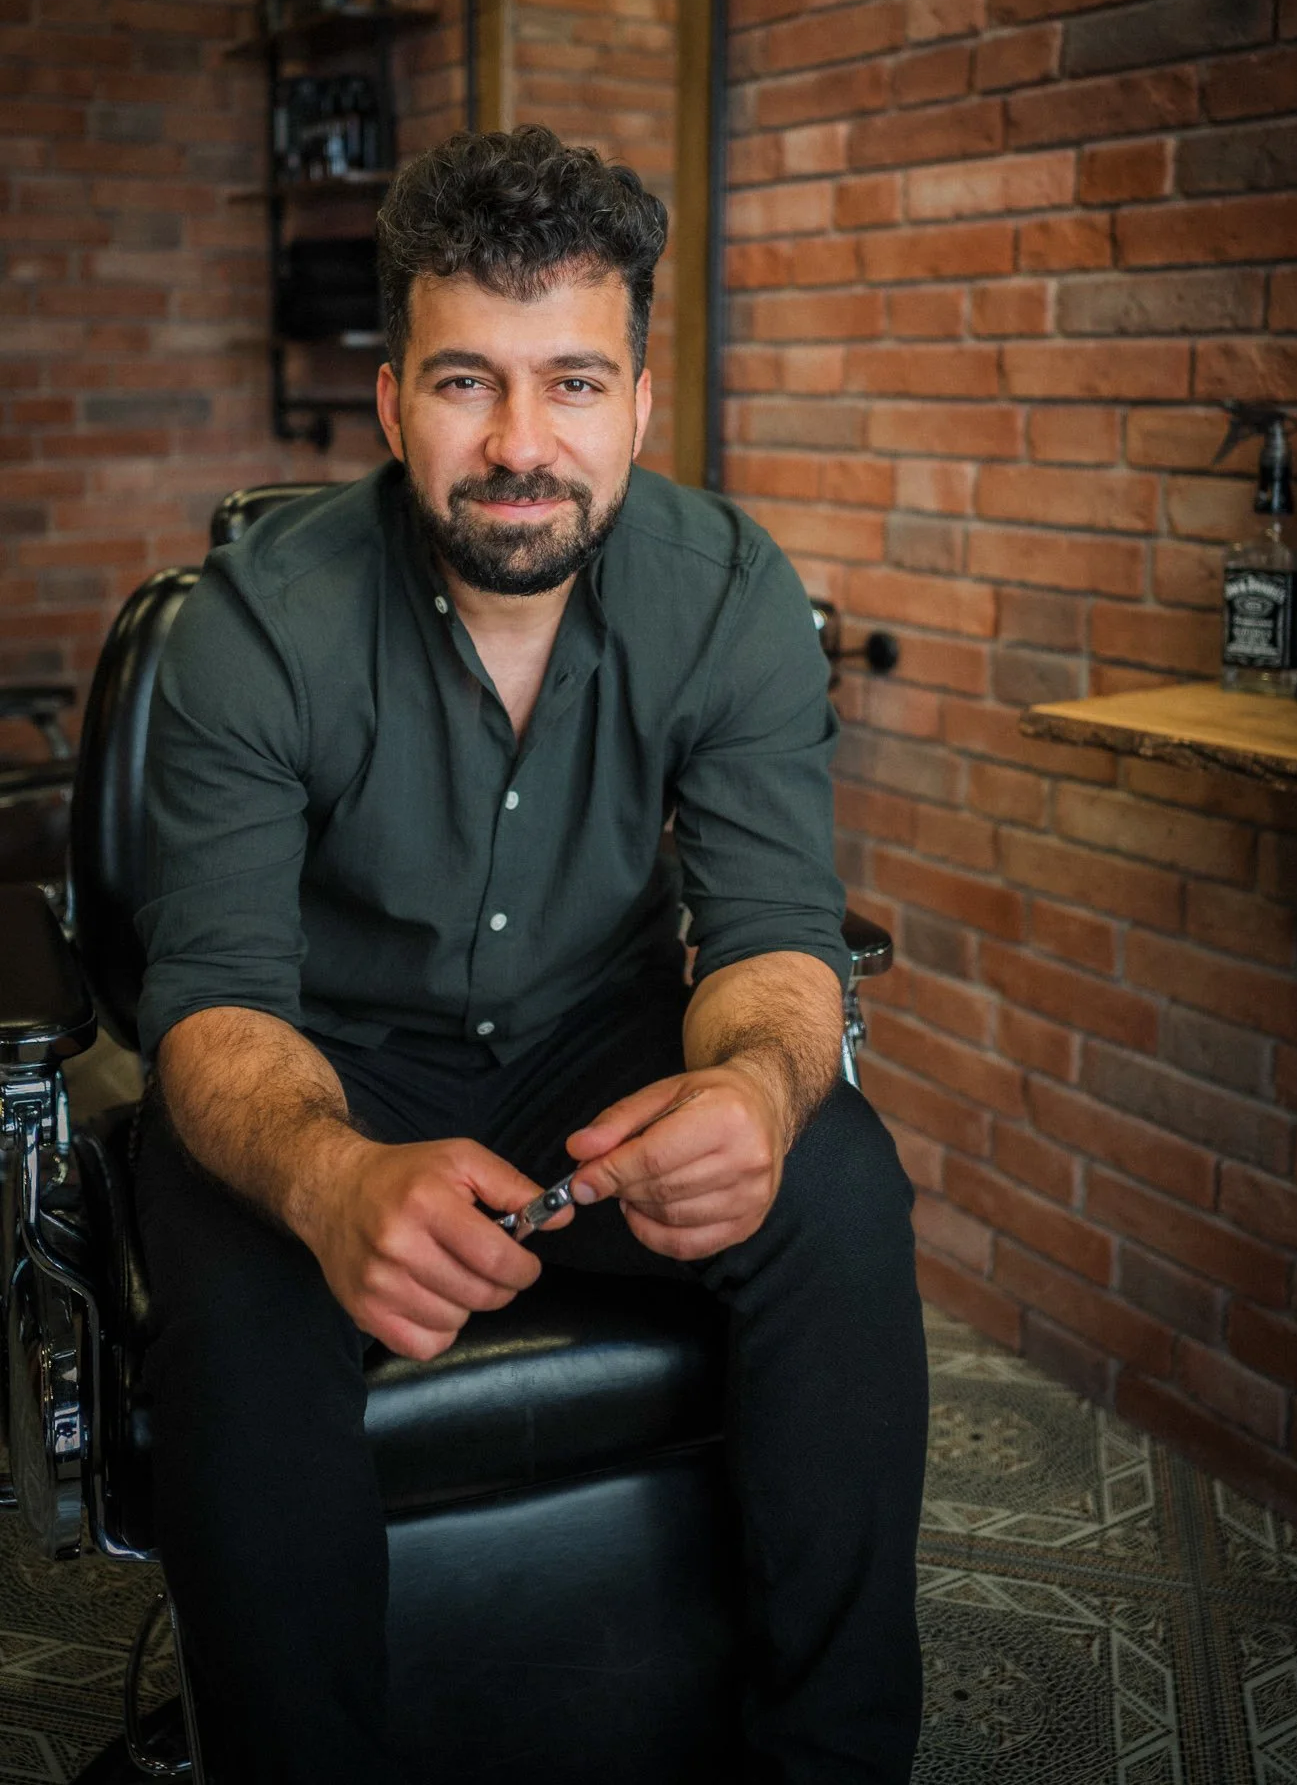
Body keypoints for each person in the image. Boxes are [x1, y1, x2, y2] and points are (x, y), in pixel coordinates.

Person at [133, 125, 928, 1784]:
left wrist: (763, 1095)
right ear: (389, 404)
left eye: (571, 382)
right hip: (327, 1067)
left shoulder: (724, 595)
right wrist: (333, 1179)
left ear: (637, 400)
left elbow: (776, 940)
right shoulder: (252, 624)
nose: (516, 443)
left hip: (594, 1045)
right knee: (225, 1246)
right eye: (463, 384)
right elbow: (214, 1004)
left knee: (838, 1182)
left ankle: (831, 1761)